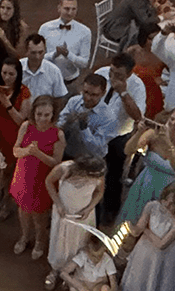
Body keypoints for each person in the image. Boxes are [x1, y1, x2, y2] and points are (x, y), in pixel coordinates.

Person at [117, 105, 175, 226]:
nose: (173, 123)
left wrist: (168, 143)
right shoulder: (153, 134)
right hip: (145, 184)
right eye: (172, 119)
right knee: (132, 222)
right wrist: (139, 133)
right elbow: (128, 150)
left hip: (169, 191)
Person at [94, 54, 151, 222]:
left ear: (129, 73)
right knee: (91, 168)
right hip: (96, 130)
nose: (113, 77)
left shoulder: (138, 86)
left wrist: (123, 92)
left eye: (119, 75)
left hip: (118, 135)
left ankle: (110, 211)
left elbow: (138, 116)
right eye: (112, 71)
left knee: (114, 174)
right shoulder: (101, 73)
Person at [12, 95, 67, 259]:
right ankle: (24, 236)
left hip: (43, 180)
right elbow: (16, 150)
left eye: (46, 115)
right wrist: (26, 151)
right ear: (33, 112)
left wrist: (37, 153)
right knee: (23, 211)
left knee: (39, 216)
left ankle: (39, 241)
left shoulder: (58, 134)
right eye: (39, 114)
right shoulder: (26, 126)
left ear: (53, 115)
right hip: (24, 175)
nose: (42, 118)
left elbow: (56, 163)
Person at [45, 156, 107, 287]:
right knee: (60, 241)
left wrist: (89, 208)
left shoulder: (98, 175)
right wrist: (58, 204)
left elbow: (99, 192)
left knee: (79, 243)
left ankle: (71, 271)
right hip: (64, 212)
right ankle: (55, 270)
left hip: (83, 216)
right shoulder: (64, 168)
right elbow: (49, 182)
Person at [123, 181, 175, 291]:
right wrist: (129, 227)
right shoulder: (152, 206)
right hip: (143, 251)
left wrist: (145, 230)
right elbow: (137, 230)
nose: (167, 206)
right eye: (165, 201)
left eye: (172, 204)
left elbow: (161, 245)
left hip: (162, 257)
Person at [58, 75, 121, 163]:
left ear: (103, 93)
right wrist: (66, 122)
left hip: (89, 160)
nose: (88, 98)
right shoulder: (74, 101)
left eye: (94, 95)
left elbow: (96, 147)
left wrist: (84, 129)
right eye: (86, 92)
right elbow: (58, 124)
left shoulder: (109, 118)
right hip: (67, 152)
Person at [38, 0, 94, 89]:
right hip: (47, 79)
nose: (70, 12)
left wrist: (68, 55)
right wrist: (54, 54)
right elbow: (38, 56)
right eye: (67, 9)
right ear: (59, 8)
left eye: (73, 9)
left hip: (71, 81)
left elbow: (84, 63)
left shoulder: (85, 32)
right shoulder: (45, 28)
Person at [101, 0, 174, 51]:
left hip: (128, 23)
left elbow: (147, 14)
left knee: (150, 30)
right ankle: (133, 55)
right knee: (146, 33)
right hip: (115, 28)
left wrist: (157, 8)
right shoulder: (137, 0)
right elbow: (145, 20)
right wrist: (161, 17)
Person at [21, 33, 69, 102]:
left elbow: (59, 98)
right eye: (33, 53)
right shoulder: (17, 67)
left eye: (40, 52)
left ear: (45, 51)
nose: (37, 57)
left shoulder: (54, 71)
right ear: (26, 51)